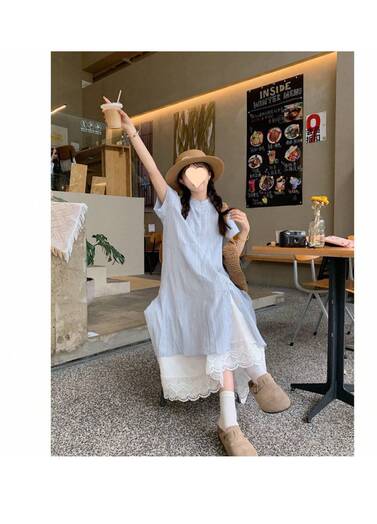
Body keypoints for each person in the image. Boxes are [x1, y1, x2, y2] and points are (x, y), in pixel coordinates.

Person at [102, 98, 291, 456]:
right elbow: (151, 168)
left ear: (210, 174)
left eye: (200, 167)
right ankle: (258, 376)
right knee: (223, 299)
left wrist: (245, 231)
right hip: (185, 293)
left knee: (223, 305)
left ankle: (230, 424)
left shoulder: (221, 211)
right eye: (188, 170)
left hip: (214, 291)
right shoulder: (173, 206)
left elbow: (232, 256)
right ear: (181, 179)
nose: (195, 173)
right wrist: (131, 131)